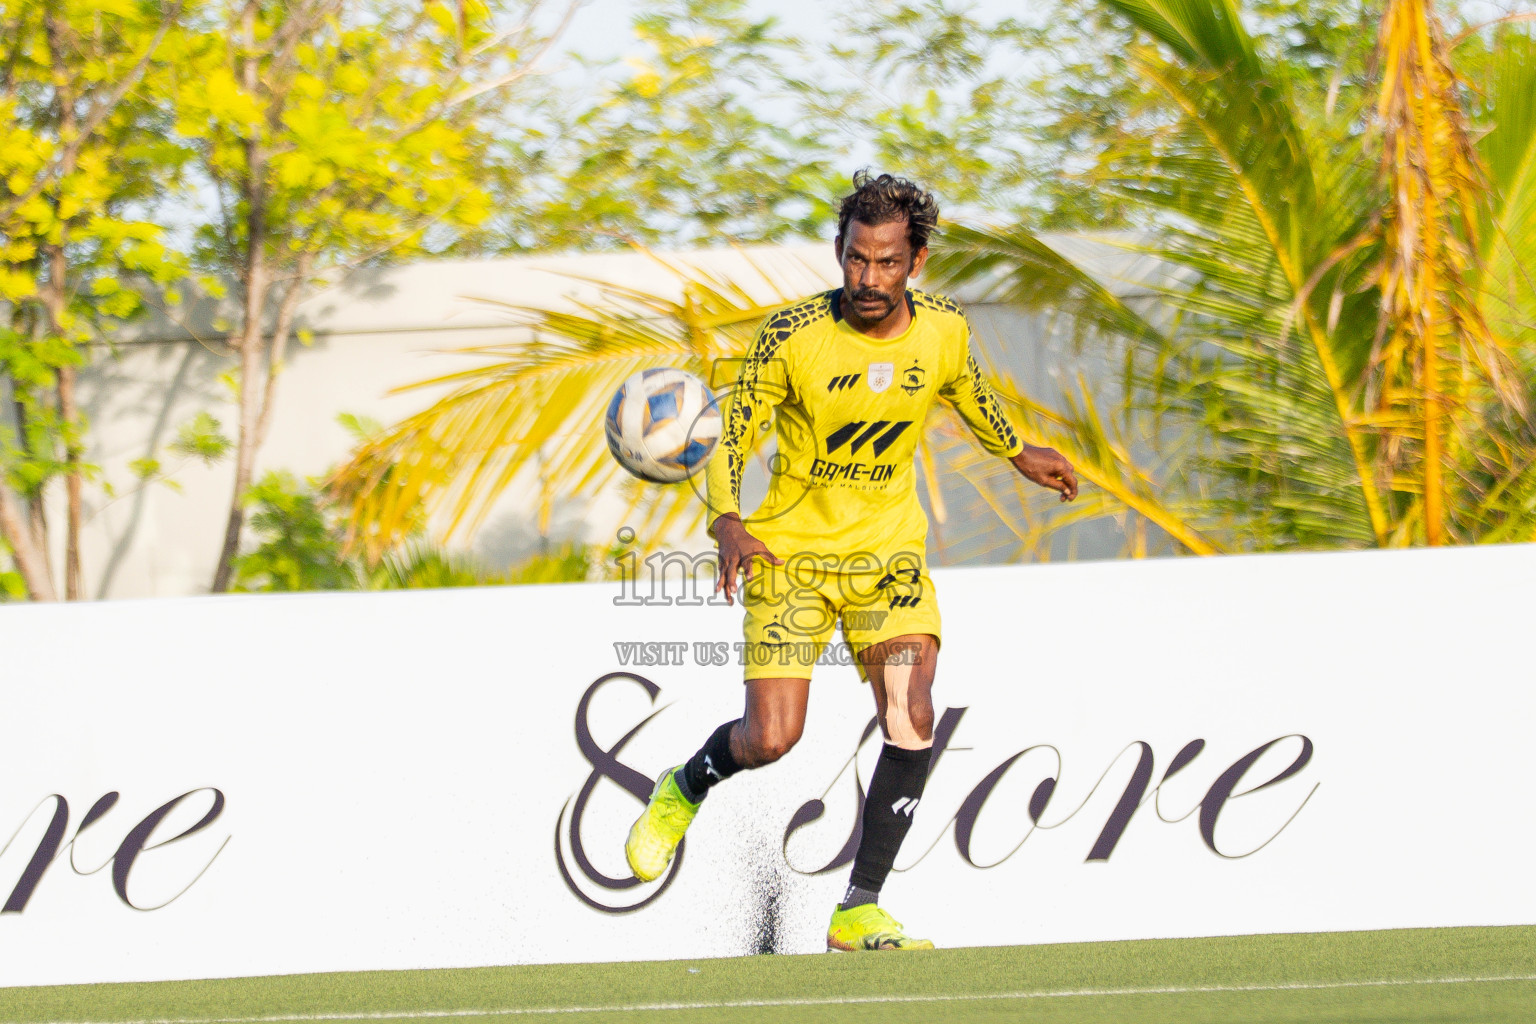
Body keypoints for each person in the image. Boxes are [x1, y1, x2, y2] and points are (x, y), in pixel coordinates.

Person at [624, 171, 1078, 951]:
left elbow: (968, 391)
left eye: (888, 263)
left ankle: (858, 907)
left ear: (918, 260)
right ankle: (683, 787)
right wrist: (727, 520)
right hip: (791, 555)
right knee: (771, 738)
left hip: (886, 556)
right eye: (857, 259)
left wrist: (1016, 451)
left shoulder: (943, 330)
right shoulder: (792, 335)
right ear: (840, 251)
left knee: (911, 717)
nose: (869, 279)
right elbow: (731, 436)